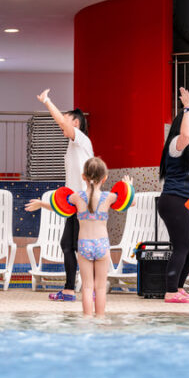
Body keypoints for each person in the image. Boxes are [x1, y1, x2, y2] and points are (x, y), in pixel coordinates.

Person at [33, 88, 93, 302]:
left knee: (80, 247)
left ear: (75, 123)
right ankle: (70, 290)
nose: (61, 123)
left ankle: (88, 289)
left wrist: (47, 101)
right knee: (68, 245)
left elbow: (62, 123)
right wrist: (43, 203)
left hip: (85, 204)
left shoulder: (81, 140)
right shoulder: (73, 145)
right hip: (75, 205)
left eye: (66, 119)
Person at [158, 87, 189, 303]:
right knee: (183, 245)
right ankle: (170, 291)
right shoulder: (176, 145)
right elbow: (185, 134)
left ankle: (178, 286)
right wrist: (187, 107)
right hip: (175, 200)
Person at [67, 159, 129, 315]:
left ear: (83, 177)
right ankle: (100, 317)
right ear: (105, 178)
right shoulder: (109, 197)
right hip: (102, 245)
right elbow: (131, 202)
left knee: (87, 287)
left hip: (84, 245)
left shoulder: (76, 197)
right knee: (100, 287)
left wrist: (41, 204)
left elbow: (59, 205)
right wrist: (128, 186)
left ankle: (87, 319)